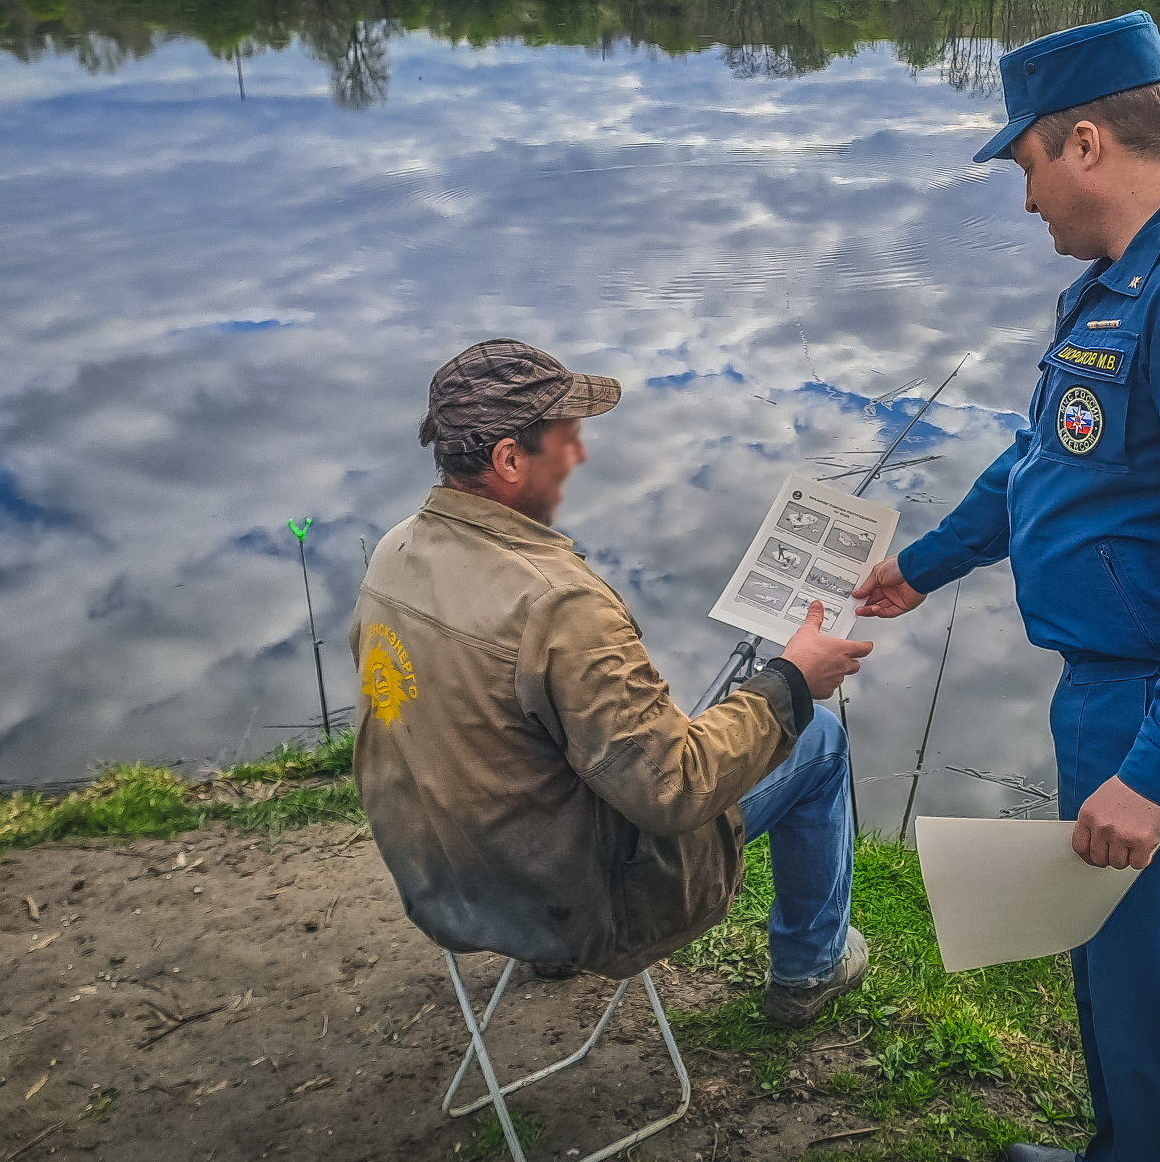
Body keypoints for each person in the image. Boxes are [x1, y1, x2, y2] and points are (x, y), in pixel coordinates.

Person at [854, 12, 1160, 1162]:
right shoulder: (1117, 289)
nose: (1024, 205)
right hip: (1112, 689)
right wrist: (925, 562)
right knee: (1114, 963)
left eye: (1023, 170)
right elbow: (1045, 461)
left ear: (1084, 141)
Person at [350, 339, 877, 1024]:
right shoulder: (558, 604)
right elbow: (674, 789)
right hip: (581, 898)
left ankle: (548, 952)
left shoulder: (394, 550)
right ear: (509, 459)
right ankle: (810, 969)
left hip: (444, 876)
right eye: (566, 439)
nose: (581, 455)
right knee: (822, 738)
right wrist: (792, 681)